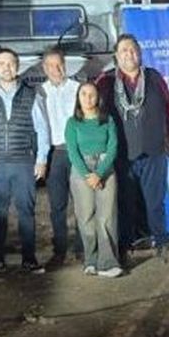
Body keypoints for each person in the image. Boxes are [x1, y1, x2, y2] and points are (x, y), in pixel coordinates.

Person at [96, 34, 169, 263]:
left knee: (155, 201)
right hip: (122, 153)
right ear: (116, 56)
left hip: (154, 149)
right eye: (124, 50)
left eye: (132, 50)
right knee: (125, 202)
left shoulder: (154, 77)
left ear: (139, 53)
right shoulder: (106, 81)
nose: (129, 54)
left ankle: (162, 242)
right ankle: (125, 246)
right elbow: (97, 115)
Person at [0, 48, 50, 275]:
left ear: (16, 67)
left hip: (23, 163)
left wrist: (41, 159)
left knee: (26, 211)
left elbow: (42, 129)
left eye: (10, 63)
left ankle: (29, 259)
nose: (6, 68)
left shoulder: (31, 94)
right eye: (2, 63)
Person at [66, 82, 121, 278]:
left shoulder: (108, 120)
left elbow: (113, 146)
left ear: (98, 97)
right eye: (83, 94)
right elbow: (72, 151)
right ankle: (91, 260)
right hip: (82, 171)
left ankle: (108, 262)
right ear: (78, 98)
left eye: (92, 94)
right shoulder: (73, 123)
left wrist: (100, 172)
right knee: (85, 216)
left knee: (106, 216)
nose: (88, 98)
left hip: (105, 167)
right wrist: (87, 175)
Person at [39, 47, 82, 269]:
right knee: (57, 206)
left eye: (60, 65)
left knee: (82, 204)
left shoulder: (78, 89)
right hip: (55, 154)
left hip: (78, 152)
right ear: (44, 68)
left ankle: (83, 248)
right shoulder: (40, 92)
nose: (57, 70)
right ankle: (60, 251)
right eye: (52, 66)